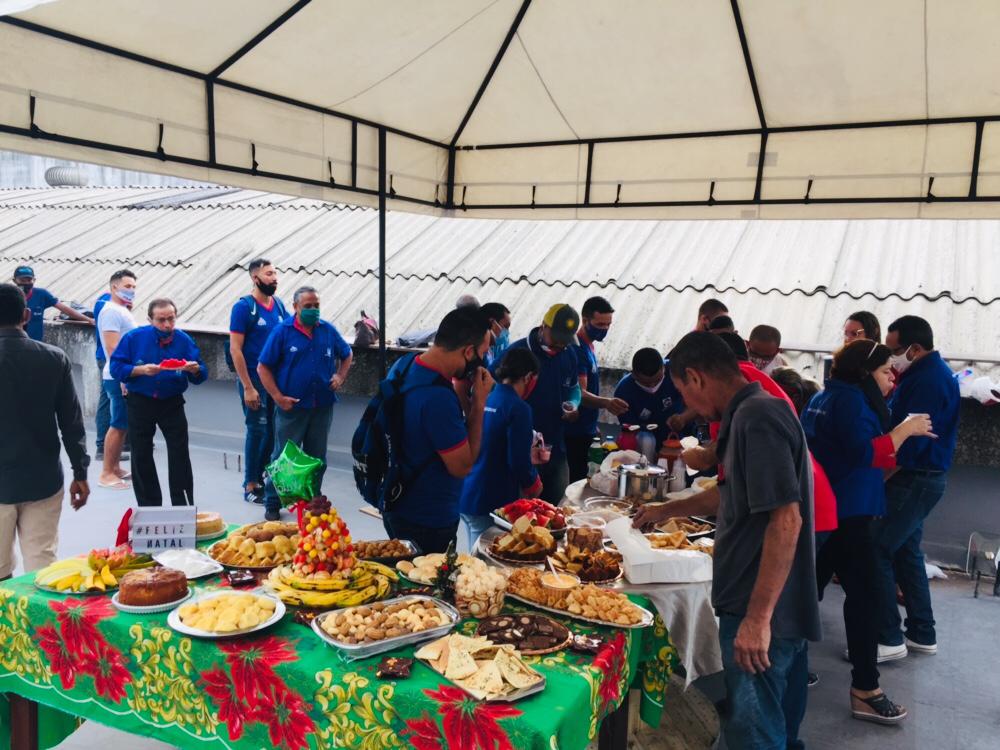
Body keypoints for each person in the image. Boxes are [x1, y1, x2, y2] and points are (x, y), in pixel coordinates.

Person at [634, 332, 820, 750]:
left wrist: (758, 619)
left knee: (754, 732)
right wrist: (664, 511)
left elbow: (786, 520)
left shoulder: (758, 417)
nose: (687, 405)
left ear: (696, 378)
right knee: (755, 723)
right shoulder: (745, 414)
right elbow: (731, 493)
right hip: (751, 600)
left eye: (683, 391)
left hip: (762, 606)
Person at [802, 340, 934, 724]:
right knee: (866, 599)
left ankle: (788, 664)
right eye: (884, 371)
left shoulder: (826, 396)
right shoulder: (850, 402)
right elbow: (865, 453)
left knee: (810, 591)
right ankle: (865, 689)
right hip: (849, 514)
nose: (891, 378)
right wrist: (906, 429)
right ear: (863, 373)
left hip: (835, 510)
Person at [875, 316, 959, 660]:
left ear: (915, 348)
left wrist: (878, 479)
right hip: (920, 478)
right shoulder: (922, 374)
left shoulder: (928, 380)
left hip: (914, 477)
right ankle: (922, 633)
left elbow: (908, 442)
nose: (891, 358)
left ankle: (888, 637)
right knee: (907, 552)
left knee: (876, 550)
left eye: (894, 350)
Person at [381, 307, 494, 553]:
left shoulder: (405, 365)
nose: (484, 361)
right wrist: (479, 403)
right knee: (429, 576)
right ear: (468, 352)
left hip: (396, 501)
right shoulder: (437, 399)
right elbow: (462, 466)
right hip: (428, 520)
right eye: (483, 353)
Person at [0, 283, 90, 579]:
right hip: (43, 480)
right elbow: (71, 423)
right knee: (42, 567)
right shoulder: (54, 358)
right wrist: (80, 473)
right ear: (26, 315)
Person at [258, 286, 353, 521]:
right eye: (307, 306)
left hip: (322, 405)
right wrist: (278, 397)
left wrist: (340, 376)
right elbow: (263, 367)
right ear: (295, 307)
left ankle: (313, 500)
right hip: (292, 408)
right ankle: (272, 502)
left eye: (316, 306)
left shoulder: (327, 330)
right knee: (283, 458)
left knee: (317, 458)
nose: (313, 310)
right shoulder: (282, 332)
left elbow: (347, 353)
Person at [110, 298, 207, 506]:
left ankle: (182, 504)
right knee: (141, 454)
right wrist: (140, 370)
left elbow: (201, 373)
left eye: (171, 319)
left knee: (179, 453)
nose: (167, 325)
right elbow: (116, 368)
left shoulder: (183, 340)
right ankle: (149, 506)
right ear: (150, 319)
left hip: (172, 402)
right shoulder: (134, 338)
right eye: (161, 320)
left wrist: (195, 369)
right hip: (140, 401)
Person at [459, 348, 543, 548]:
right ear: (528, 377)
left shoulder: (486, 398)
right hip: (492, 498)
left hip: (468, 492)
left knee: (473, 552)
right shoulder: (519, 408)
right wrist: (533, 483)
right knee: (485, 558)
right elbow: (518, 461)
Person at [502, 304, 583, 505]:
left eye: (566, 340)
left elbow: (574, 388)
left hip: (556, 447)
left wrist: (574, 404)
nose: (560, 345)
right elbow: (492, 391)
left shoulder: (570, 354)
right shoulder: (517, 352)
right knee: (523, 511)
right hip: (523, 452)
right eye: (557, 338)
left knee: (559, 508)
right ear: (543, 326)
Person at [229, 258, 288, 505]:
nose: (274, 278)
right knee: (257, 429)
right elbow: (235, 349)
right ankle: (250, 484)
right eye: (269, 274)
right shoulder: (244, 308)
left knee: (273, 431)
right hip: (254, 380)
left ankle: (263, 476)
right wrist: (248, 387)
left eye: (275, 273)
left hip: (275, 380)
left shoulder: (279, 305)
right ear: (255, 278)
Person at [566, 296, 628, 482]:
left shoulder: (589, 346)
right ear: (585, 320)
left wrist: (593, 425)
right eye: (600, 324)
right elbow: (580, 393)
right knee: (577, 483)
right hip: (574, 433)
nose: (605, 329)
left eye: (608, 324)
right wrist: (607, 403)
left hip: (587, 428)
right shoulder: (577, 349)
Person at [97, 269, 138, 491]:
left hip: (123, 374)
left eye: (133, 287)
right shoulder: (111, 311)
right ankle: (106, 473)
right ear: (114, 287)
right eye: (127, 286)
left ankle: (115, 468)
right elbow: (113, 348)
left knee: (123, 424)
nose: (131, 290)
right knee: (118, 424)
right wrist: (124, 377)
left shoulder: (122, 310)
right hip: (117, 376)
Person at [613, 348, 692, 445]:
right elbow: (629, 430)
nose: (652, 386)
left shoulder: (677, 371)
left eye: (658, 380)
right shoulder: (623, 392)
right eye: (646, 383)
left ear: (664, 368)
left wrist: (684, 418)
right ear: (634, 374)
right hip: (646, 444)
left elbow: (701, 403)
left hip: (685, 439)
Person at [12, 264, 92, 341]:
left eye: (29, 280)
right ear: (15, 281)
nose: (26, 283)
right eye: (22, 280)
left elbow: (64, 308)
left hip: (35, 344)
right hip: (13, 343)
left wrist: (89, 320)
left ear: (34, 280)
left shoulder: (41, 294)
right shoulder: (8, 295)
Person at [93, 288, 112, 460]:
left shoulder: (103, 301)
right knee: (107, 399)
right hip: (109, 358)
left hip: (105, 356)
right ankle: (102, 446)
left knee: (113, 399)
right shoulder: (109, 304)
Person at [481, 302, 512, 367]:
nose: (507, 332)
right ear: (492, 323)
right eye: (505, 326)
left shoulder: (489, 353)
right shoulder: (480, 354)